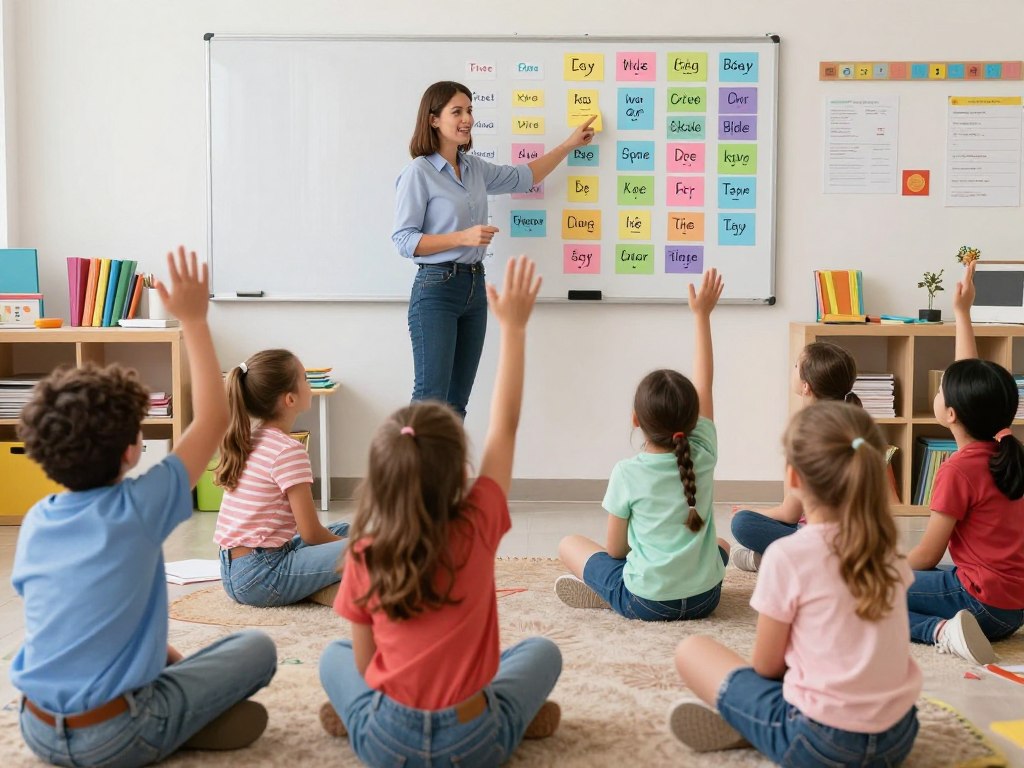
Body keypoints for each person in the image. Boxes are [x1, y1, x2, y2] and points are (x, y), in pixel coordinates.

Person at [11, 246, 277, 765]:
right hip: (114, 733)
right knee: (256, 648)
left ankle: (182, 712)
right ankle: (175, 725)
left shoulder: (37, 520)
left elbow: (91, 622)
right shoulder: (138, 507)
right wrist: (195, 321)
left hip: (36, 726)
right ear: (133, 450)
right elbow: (214, 421)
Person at [318, 257, 562, 765]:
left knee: (334, 659)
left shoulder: (364, 550)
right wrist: (514, 330)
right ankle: (514, 717)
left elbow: (366, 668)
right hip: (474, 743)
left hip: (387, 742)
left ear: (381, 476)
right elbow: (506, 425)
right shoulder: (478, 522)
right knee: (541, 652)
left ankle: (355, 718)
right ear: (459, 471)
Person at [671, 401, 922, 764]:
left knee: (691, 650)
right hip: (898, 738)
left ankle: (754, 729)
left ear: (793, 478)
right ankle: (753, 728)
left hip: (822, 744)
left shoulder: (788, 556)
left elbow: (767, 667)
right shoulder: (891, 551)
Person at [393, 80, 597, 419]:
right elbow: (404, 240)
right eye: (457, 111)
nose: (467, 119)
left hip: (474, 290)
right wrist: (461, 238)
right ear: (433, 120)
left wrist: (570, 145)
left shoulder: (473, 167)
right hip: (436, 290)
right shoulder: (420, 172)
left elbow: (524, 177)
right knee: (430, 400)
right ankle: (416, 474)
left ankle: (452, 474)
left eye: (470, 110)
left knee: (457, 403)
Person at [554, 269, 730, 621]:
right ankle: (623, 589)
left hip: (648, 603)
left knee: (568, 544)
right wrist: (702, 316)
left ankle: (611, 595)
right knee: (721, 545)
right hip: (705, 599)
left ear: (636, 420)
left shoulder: (626, 473)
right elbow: (705, 383)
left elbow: (617, 550)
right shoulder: (704, 453)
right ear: (695, 419)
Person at [905, 260, 1024, 664]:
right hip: (1014, 609)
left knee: (856, 590)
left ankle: (939, 631)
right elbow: (971, 376)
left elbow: (925, 555)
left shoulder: (958, 469)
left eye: (942, 389)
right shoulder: (1004, 451)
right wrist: (962, 314)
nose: (939, 392)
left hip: (981, 604)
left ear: (951, 413)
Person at [214, 348, 349, 607]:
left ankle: (318, 583)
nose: (309, 385)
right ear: (290, 399)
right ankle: (338, 588)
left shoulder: (250, 438)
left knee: (347, 530)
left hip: (234, 571)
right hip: (262, 576)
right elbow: (311, 534)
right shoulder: (288, 451)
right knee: (370, 550)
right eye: (305, 379)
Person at [730, 340, 862, 572]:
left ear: (806, 387)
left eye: (795, 366)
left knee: (742, 523)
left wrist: (748, 510)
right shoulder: (853, 426)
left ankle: (787, 560)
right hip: (859, 539)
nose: (791, 370)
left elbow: (789, 513)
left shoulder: (805, 436)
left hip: (822, 540)